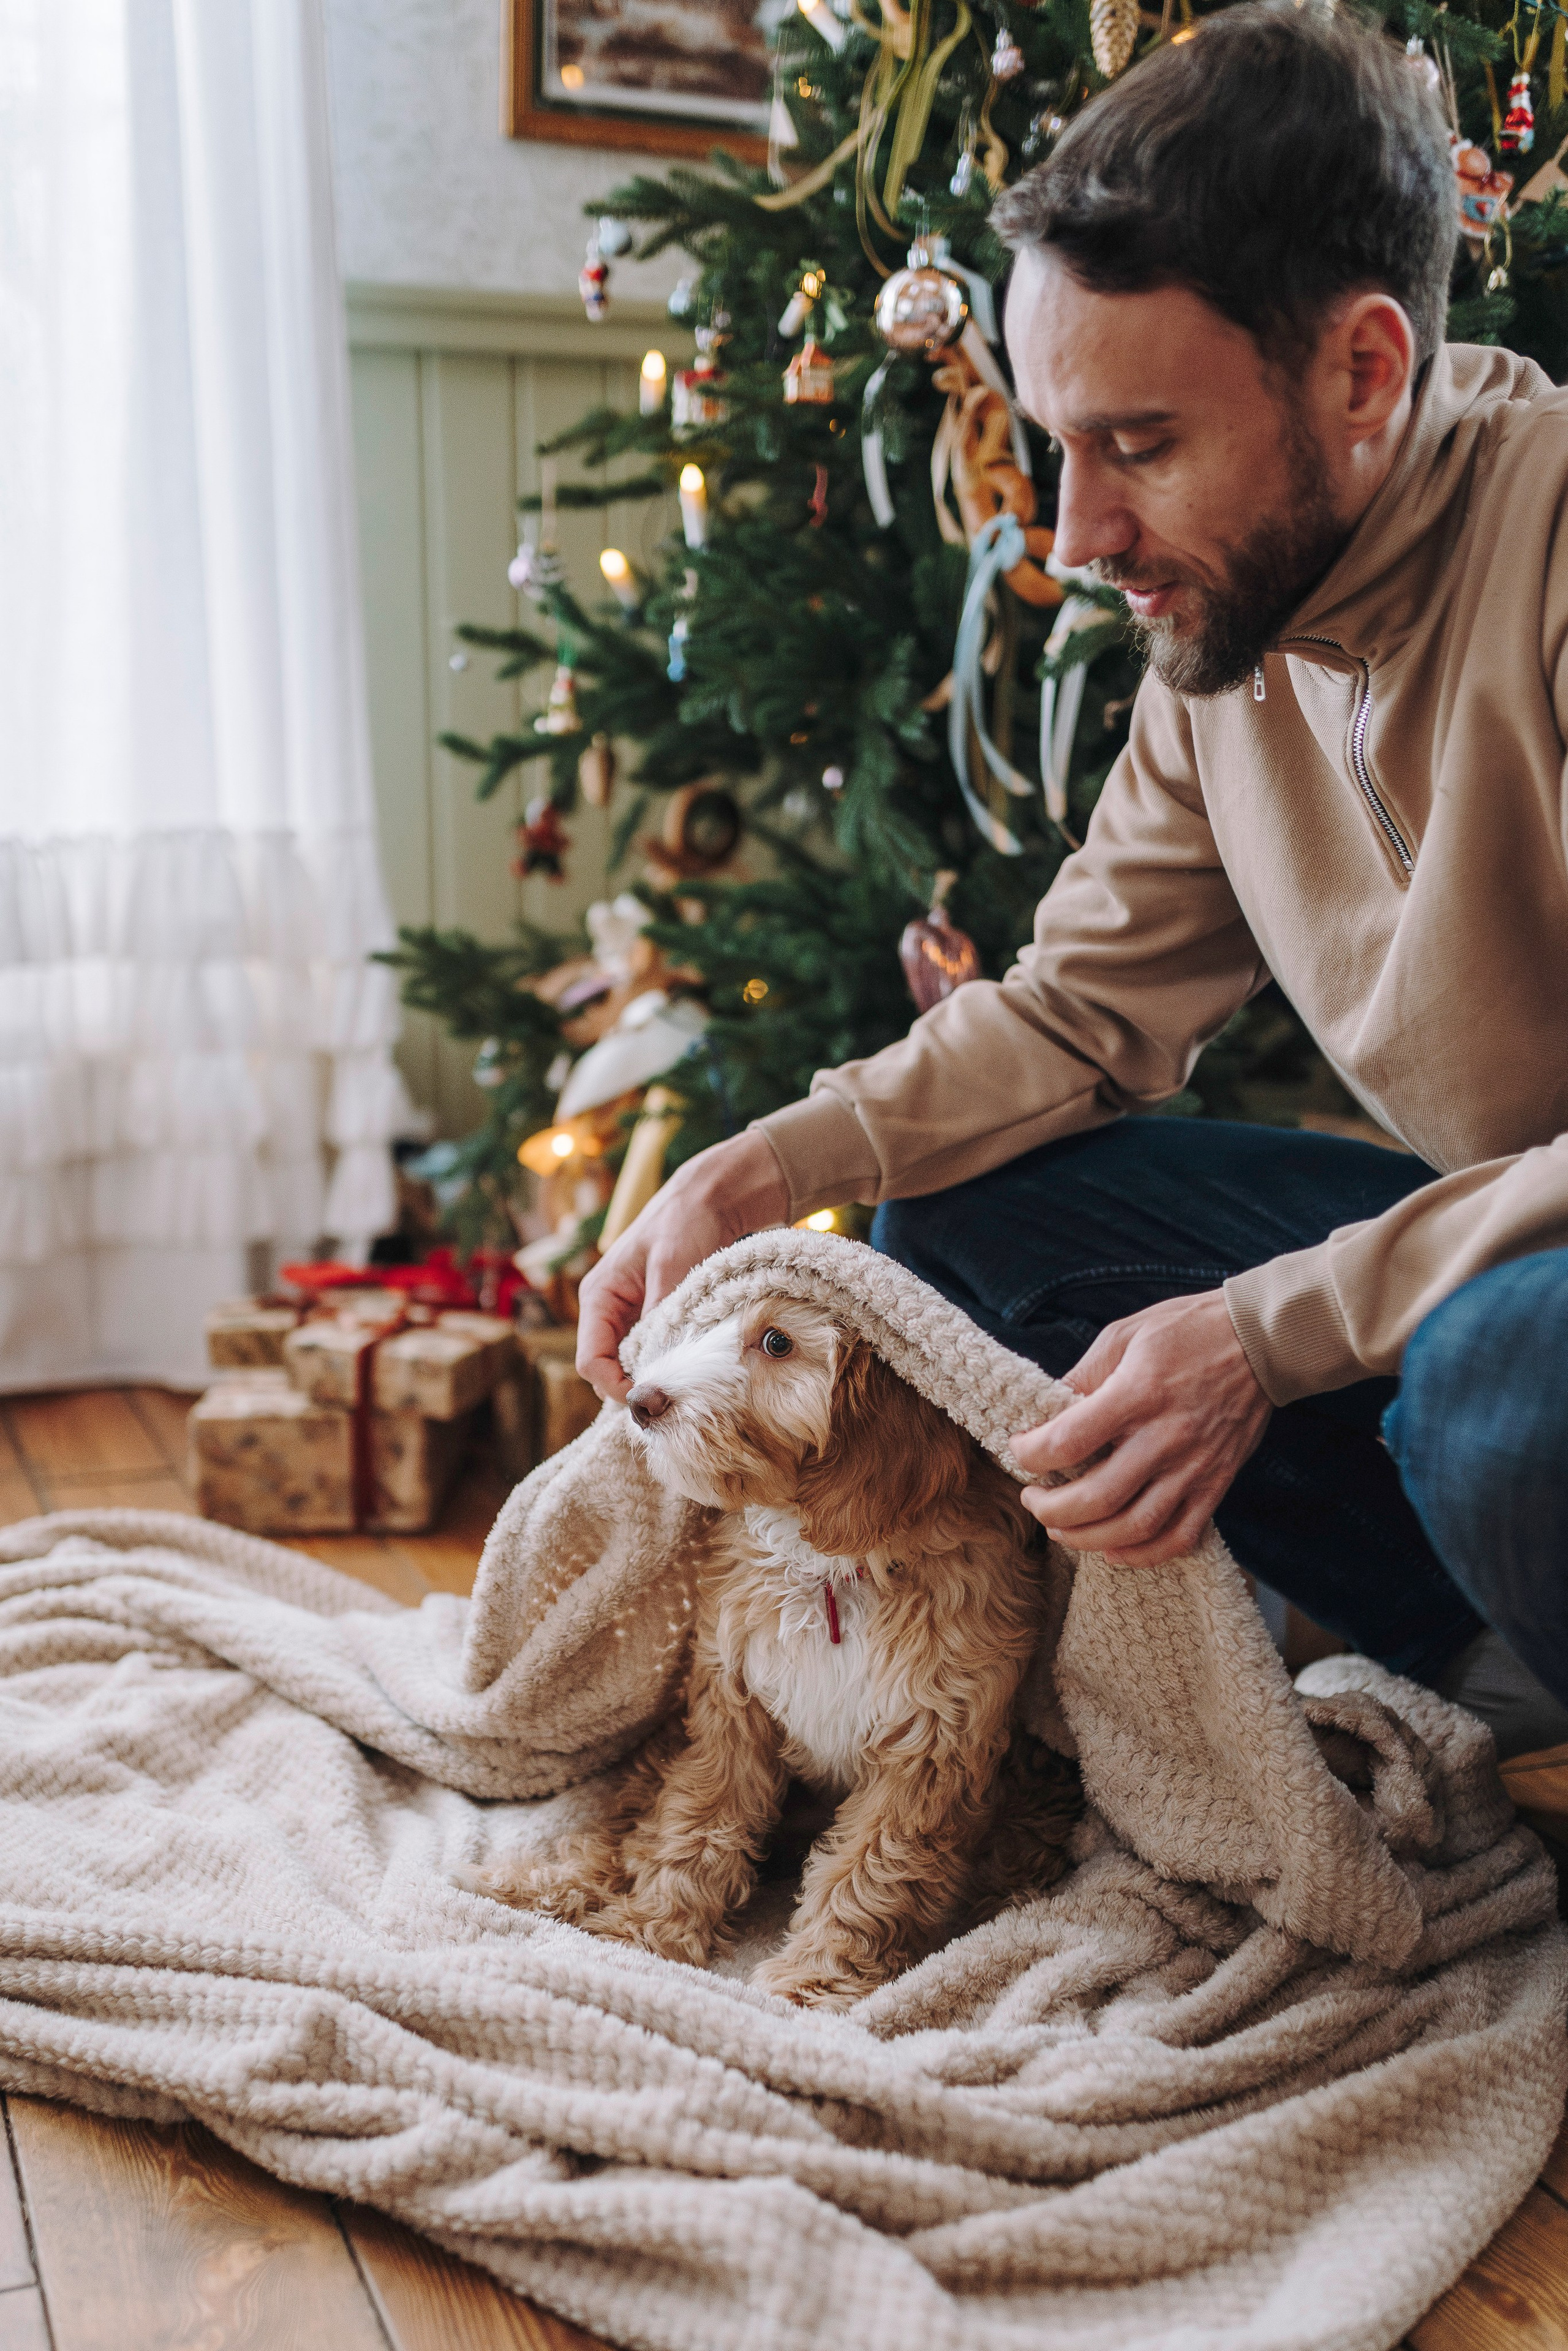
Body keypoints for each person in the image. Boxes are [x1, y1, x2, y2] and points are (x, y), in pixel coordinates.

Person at [577, 0, 1568, 1759]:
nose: (1073, 536)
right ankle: (1492, 1675)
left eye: (1140, 445)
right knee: (960, 1230)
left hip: (1531, 1323)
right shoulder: (1235, 622)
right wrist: (763, 1165)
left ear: (1362, 369)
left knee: (1507, 1387)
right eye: (1057, 441)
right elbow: (1084, 1014)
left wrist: (1265, 1337)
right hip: (1505, 1258)